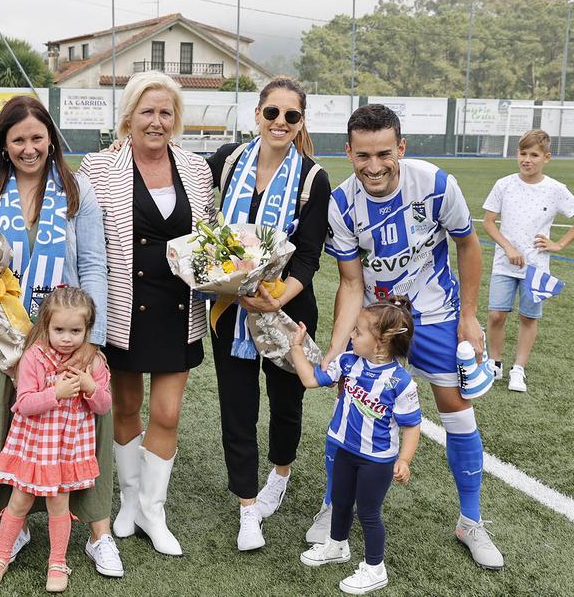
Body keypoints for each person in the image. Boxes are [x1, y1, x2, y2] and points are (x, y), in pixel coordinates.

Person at [312, 103, 504, 571]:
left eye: (383, 153)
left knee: (456, 412)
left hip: (434, 312)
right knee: (350, 405)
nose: (373, 166)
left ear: (400, 147)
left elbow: (467, 244)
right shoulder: (341, 204)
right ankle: (331, 507)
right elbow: (352, 283)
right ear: (349, 153)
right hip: (377, 321)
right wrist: (337, 347)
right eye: (362, 156)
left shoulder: (437, 184)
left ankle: (470, 521)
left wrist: (470, 317)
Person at [0, 95, 121, 577]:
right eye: (18, 139)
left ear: (51, 139)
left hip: (65, 339)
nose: (29, 148)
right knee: (4, 428)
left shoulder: (75, 190)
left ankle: (97, 532)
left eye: (37, 138)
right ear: (3, 143)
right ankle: (12, 524)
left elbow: (92, 265)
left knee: (81, 434)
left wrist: (93, 341)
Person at [80, 70, 216, 557]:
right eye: (147, 111)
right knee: (126, 408)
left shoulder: (197, 169)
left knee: (167, 412)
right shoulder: (98, 167)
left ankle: (154, 511)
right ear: (129, 116)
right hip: (123, 308)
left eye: (165, 112)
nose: (156, 121)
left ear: (175, 119)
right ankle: (129, 503)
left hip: (178, 309)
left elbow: (211, 238)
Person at [204, 76, 330, 551]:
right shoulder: (229, 160)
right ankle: (247, 507)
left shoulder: (313, 177)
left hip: (287, 311)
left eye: (291, 116)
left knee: (286, 404)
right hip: (231, 309)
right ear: (257, 114)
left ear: (301, 122)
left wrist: (277, 298)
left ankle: (280, 471)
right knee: (237, 409)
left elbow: (309, 256)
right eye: (272, 113)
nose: (280, 122)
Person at [0, 287, 112, 593]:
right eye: (59, 330)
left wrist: (91, 386)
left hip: (66, 448)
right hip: (34, 446)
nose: (67, 338)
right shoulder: (34, 357)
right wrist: (56, 393)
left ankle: (57, 561)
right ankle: (0, 557)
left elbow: (104, 406)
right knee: (20, 500)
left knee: (58, 504)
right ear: (46, 326)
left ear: (87, 329)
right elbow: (24, 403)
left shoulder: (94, 360)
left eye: (76, 331)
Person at [291, 297, 421, 595]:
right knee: (340, 499)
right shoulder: (348, 362)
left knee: (369, 512)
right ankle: (337, 546)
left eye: (358, 332)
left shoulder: (401, 383)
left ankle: (376, 568)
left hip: (376, 460)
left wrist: (404, 459)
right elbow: (311, 379)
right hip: (344, 448)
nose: (351, 336)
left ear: (381, 342)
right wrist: (296, 348)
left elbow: (412, 426)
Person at [481, 129, 574, 393]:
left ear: (547, 158)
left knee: (528, 317)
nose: (527, 159)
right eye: (522, 153)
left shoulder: (556, 190)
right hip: (504, 264)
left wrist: (558, 244)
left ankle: (518, 369)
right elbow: (488, 222)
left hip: (536, 268)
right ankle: (494, 364)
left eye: (534, 155)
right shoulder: (504, 184)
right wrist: (508, 247)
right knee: (496, 315)